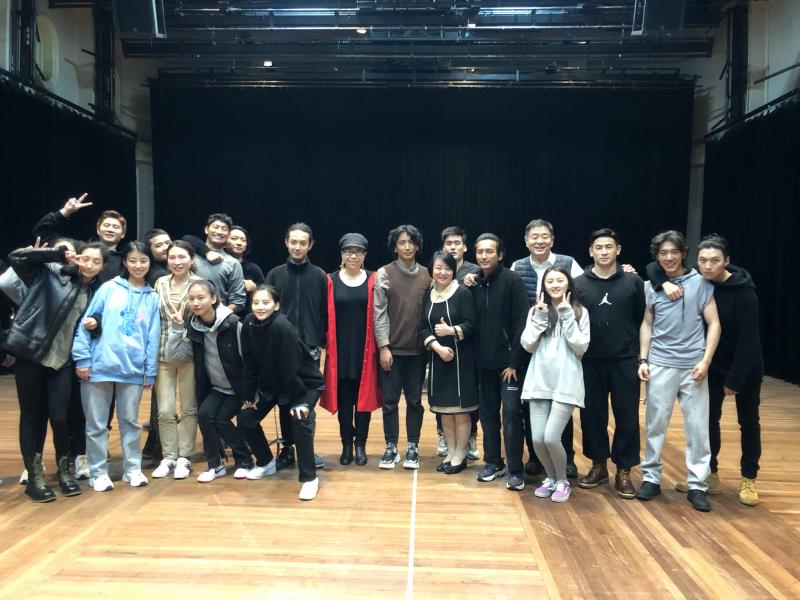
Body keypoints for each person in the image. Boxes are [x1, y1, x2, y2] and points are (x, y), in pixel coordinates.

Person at [648, 234, 764, 506]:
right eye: (703, 260)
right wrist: (662, 281)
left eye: (714, 260)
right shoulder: (700, 283)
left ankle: (749, 477)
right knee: (707, 422)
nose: (708, 266)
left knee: (748, 422)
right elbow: (654, 266)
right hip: (710, 364)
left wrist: (735, 380)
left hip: (744, 366)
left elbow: (749, 341)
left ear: (727, 261)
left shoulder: (745, 293)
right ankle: (709, 474)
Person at [2, 240, 107, 501]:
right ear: (77, 257)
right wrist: (57, 254)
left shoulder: (96, 292)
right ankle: (35, 478)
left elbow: (96, 326)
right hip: (31, 354)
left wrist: (98, 323)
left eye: (96, 261)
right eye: (86, 258)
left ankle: (64, 473)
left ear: (103, 266)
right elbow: (17, 257)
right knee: (32, 416)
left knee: (60, 417)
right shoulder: (52, 273)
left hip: (63, 361)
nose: (89, 265)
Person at [636, 230, 721, 512]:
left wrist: (705, 361)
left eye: (674, 252)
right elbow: (647, 324)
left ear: (684, 253)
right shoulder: (651, 286)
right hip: (660, 364)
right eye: (663, 253)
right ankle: (651, 478)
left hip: (693, 367)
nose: (669, 257)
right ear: (657, 257)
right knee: (655, 425)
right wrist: (643, 360)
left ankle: (697, 484)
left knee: (697, 428)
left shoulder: (701, 283)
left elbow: (714, 324)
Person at [72, 241, 161, 492]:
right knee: (96, 424)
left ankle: (132, 469)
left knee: (130, 422)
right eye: (132, 260)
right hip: (99, 366)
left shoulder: (152, 297)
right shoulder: (108, 288)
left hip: (132, 369)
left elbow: (153, 336)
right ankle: (98, 472)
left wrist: (149, 371)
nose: (138, 265)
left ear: (150, 263)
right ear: (124, 262)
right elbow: (86, 323)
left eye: (143, 261)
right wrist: (82, 359)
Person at [573, 229, 645, 499]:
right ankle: (598, 465)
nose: (603, 251)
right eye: (598, 247)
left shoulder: (633, 282)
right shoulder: (578, 284)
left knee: (627, 416)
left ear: (618, 250)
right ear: (590, 252)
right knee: (592, 416)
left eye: (608, 247)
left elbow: (641, 318)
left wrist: (639, 355)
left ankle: (624, 470)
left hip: (625, 360)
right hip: (589, 361)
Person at [511, 219, 583, 478]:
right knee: (532, 405)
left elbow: (583, 290)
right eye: (534, 236)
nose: (539, 241)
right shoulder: (517, 266)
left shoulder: (568, 263)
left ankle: (568, 459)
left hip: (564, 346)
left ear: (552, 239)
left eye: (544, 236)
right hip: (532, 341)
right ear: (526, 240)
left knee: (561, 406)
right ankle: (535, 456)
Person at [239, 285, 325, 500]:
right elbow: (249, 363)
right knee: (246, 418)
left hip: (304, 384)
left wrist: (298, 403)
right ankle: (266, 462)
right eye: (256, 302)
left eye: (266, 302)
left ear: (276, 306)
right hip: (273, 384)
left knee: (299, 420)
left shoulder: (281, 327)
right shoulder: (248, 323)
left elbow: (291, 368)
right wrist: (249, 396)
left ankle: (309, 478)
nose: (260, 307)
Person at [163, 280, 254, 483]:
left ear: (213, 299)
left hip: (238, 388)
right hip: (216, 387)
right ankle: (215, 465)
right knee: (204, 416)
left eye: (201, 298)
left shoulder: (233, 323)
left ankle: (245, 460)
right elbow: (173, 356)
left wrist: (250, 393)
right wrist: (177, 329)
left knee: (221, 420)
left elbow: (249, 360)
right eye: (191, 299)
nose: (195, 303)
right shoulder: (194, 325)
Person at [520, 267, 590, 503]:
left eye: (560, 280)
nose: (555, 284)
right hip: (539, 381)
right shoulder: (536, 311)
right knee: (538, 439)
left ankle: (562, 480)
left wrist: (567, 315)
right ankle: (550, 478)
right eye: (550, 281)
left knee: (551, 437)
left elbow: (580, 347)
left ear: (568, 283)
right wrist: (539, 318)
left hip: (566, 382)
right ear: (544, 286)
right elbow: (527, 344)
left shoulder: (579, 311)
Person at [469, 234, 530, 489]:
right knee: (487, 416)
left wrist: (514, 362)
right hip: (483, 364)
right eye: (480, 252)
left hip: (509, 367)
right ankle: (493, 462)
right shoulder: (473, 282)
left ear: (500, 254)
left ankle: (516, 469)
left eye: (489, 251)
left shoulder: (512, 281)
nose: (484, 256)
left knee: (512, 416)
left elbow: (521, 323)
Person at [265, 223, 327, 471]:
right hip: (281, 348)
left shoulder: (320, 276)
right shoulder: (275, 275)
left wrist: (320, 339)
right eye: (294, 242)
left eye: (303, 243)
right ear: (286, 243)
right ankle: (288, 448)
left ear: (310, 245)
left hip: (310, 348)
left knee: (306, 401)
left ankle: (306, 449)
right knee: (284, 400)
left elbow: (324, 311)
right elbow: (266, 311)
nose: (298, 247)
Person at [320, 233, 382, 466]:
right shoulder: (330, 280)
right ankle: (346, 444)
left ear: (364, 255)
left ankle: (360, 444)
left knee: (363, 400)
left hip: (365, 350)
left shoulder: (374, 279)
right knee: (345, 401)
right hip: (340, 351)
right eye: (348, 251)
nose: (353, 256)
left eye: (358, 252)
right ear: (342, 254)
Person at [374, 224, 432, 470]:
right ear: (395, 247)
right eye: (402, 243)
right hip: (392, 350)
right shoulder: (385, 273)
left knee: (415, 402)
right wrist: (383, 346)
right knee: (389, 402)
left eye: (411, 242)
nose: (407, 247)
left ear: (417, 246)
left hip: (418, 351)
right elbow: (379, 313)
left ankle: (412, 446)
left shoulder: (428, 275)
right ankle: (390, 446)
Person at [420, 251, 478, 474]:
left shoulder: (462, 292)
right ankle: (451, 451)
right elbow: (423, 326)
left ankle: (461, 454)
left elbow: (472, 324)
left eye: (447, 268)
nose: (442, 272)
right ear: (431, 270)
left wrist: (451, 330)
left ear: (454, 271)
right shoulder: (429, 294)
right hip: (438, 359)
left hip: (461, 360)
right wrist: (437, 347)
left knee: (460, 411)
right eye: (438, 268)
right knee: (445, 411)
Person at [150, 241, 202, 480]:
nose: (177, 262)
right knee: (164, 410)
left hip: (190, 355)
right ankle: (169, 456)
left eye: (182, 257)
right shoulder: (160, 283)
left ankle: (184, 457)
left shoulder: (199, 285)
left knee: (189, 408)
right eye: (172, 257)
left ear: (192, 260)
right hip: (162, 354)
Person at [436, 226, 481, 460]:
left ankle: (471, 436)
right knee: (442, 391)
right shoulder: (438, 270)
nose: (452, 247)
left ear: (465, 246)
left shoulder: (475, 270)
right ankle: (444, 435)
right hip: (442, 342)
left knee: (469, 393)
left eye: (457, 243)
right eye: (448, 243)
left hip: (468, 340)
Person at [33, 194, 127, 283]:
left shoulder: (127, 261)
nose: (110, 230)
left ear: (123, 234)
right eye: (106, 225)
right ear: (98, 229)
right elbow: (42, 232)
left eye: (115, 227)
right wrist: (65, 212)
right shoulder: (80, 248)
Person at [185, 213, 246, 313]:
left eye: (224, 229)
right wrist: (207, 252)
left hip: (216, 318)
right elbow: (185, 238)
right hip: (185, 316)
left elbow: (238, 301)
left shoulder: (233, 263)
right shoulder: (189, 255)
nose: (219, 231)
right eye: (216, 227)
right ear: (206, 229)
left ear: (228, 234)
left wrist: (218, 317)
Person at [226, 225, 265, 317]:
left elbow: (267, 292)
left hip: (248, 318)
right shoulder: (219, 265)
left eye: (243, 240)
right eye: (234, 238)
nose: (239, 243)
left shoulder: (253, 269)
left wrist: (255, 288)